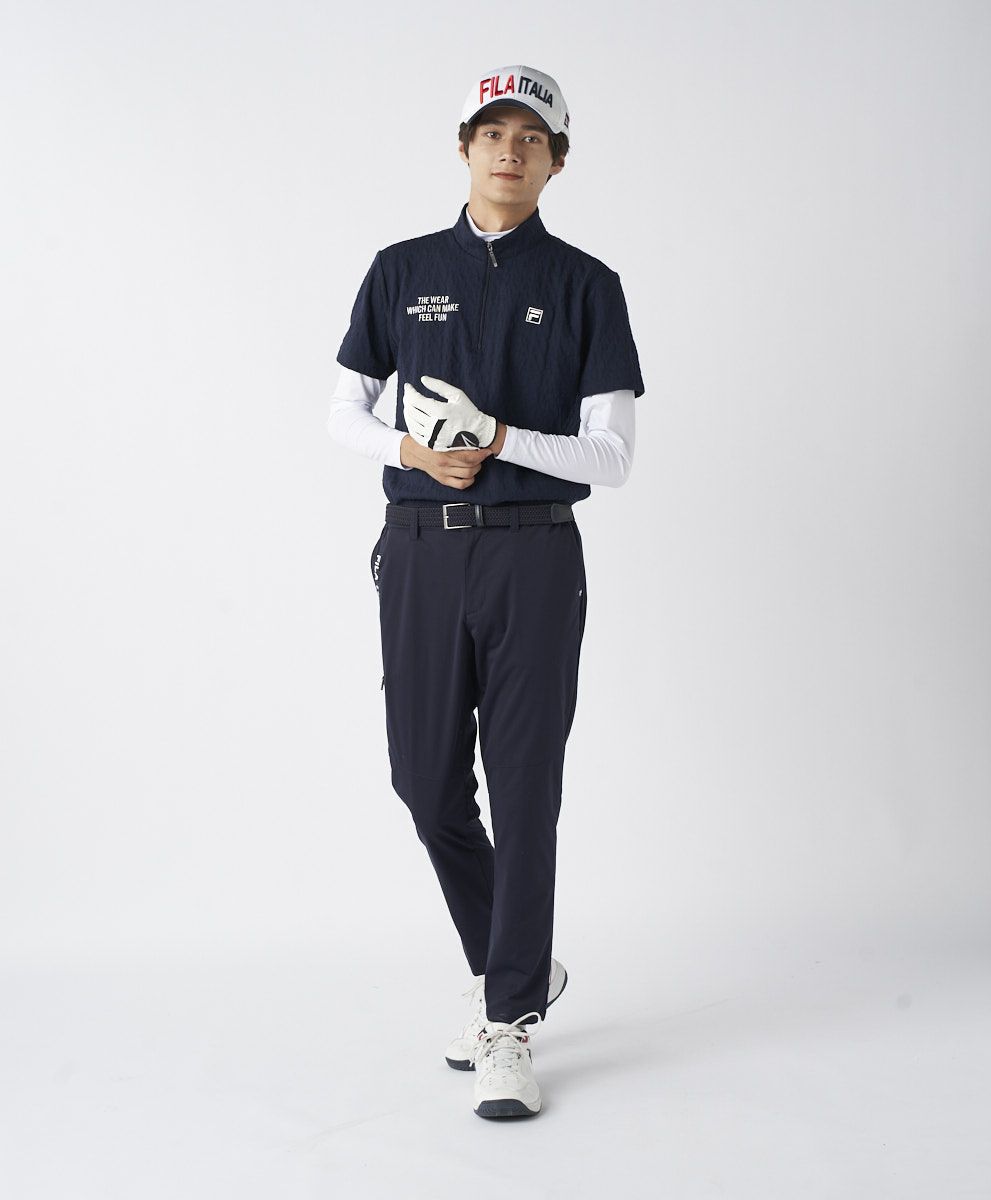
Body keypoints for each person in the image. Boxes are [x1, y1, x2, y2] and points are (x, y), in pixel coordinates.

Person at [327, 64, 645, 1119]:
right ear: (464, 147)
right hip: (420, 550)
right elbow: (341, 413)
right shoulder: (400, 269)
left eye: (532, 138)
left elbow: (612, 458)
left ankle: (507, 1017)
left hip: (532, 557)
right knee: (424, 783)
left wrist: (500, 436)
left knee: (524, 786)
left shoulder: (588, 284)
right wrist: (413, 451)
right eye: (493, 132)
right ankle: (522, 960)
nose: (511, 150)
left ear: (556, 161)